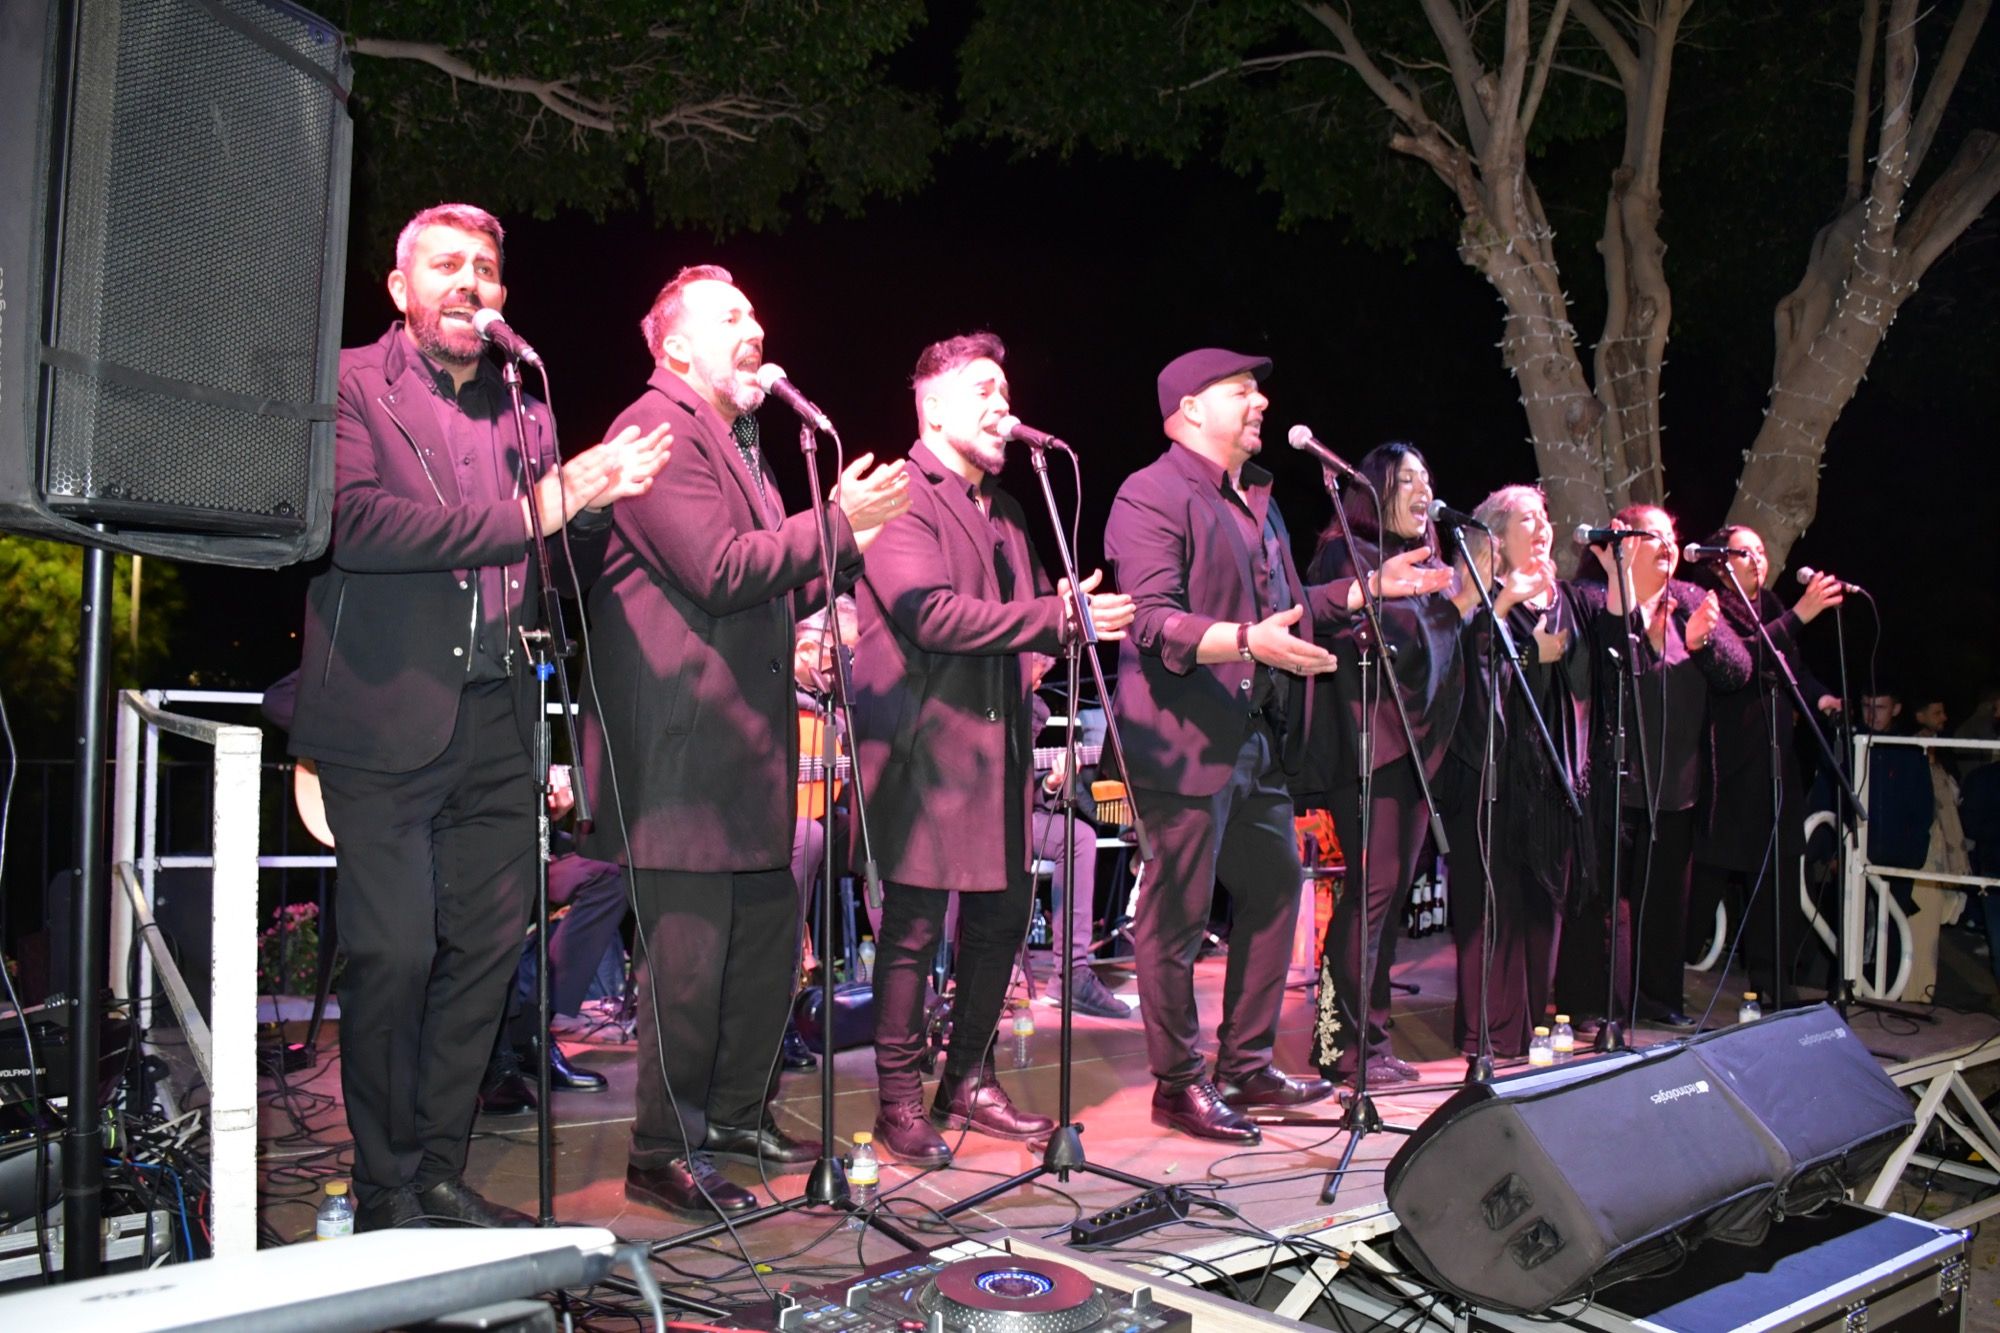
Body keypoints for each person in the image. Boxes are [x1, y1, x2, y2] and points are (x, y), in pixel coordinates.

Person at [287, 203, 670, 1232]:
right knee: (396, 953)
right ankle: (384, 1186)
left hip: (499, 719)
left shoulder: (525, 407)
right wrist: (535, 510)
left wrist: (584, 512)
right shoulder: (346, 382)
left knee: (489, 950)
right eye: (447, 265)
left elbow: (543, 566)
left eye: (488, 270)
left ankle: (440, 1174)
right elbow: (348, 522)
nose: (471, 283)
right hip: (381, 721)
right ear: (400, 288)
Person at [578, 264, 908, 1217]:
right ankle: (661, 1146)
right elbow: (720, 571)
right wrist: (837, 526)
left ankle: (733, 1113)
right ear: (675, 346)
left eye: (756, 311)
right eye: (731, 316)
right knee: (685, 965)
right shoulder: (653, 430)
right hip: (683, 753)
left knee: (764, 949)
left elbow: (776, 581)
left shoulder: (740, 444)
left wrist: (843, 546)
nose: (754, 326)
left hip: (749, 751)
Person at [1103, 348, 1448, 1144]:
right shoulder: (1149, 493)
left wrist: (1372, 587)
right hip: (1180, 737)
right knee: (1176, 917)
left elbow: (1292, 606)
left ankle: (1246, 1064)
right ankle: (1177, 1082)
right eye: (1241, 392)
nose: (1260, 402)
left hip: (1255, 740)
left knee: (1274, 888)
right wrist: (1243, 640)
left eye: (1259, 391)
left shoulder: (1259, 498)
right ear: (1190, 409)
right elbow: (1152, 619)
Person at [850, 332, 1134, 1165]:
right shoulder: (900, 496)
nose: (1002, 405)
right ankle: (900, 1099)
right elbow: (929, 613)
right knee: (912, 929)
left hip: (997, 752)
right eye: (982, 390)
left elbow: (1034, 625)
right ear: (933, 406)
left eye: (1006, 390)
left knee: (1002, 918)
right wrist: (1053, 619)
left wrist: (1061, 631)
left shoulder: (1008, 511)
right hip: (919, 751)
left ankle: (967, 1076)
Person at [1303, 443, 1466, 1085]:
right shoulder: (1348, 554)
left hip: (1415, 750)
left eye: (1428, 478)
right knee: (1370, 893)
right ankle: (1337, 1043)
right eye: (1406, 479)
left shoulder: (1427, 564)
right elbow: (1343, 642)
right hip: (1367, 748)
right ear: (1373, 488)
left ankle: (1371, 1038)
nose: (1422, 491)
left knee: (1390, 894)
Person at [1558, 504, 1750, 1030]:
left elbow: (1739, 672)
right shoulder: (1592, 601)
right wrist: (1627, 601)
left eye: (1672, 536)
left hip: (1677, 787)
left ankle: (1657, 999)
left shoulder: (1691, 601)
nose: (1668, 547)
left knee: (1665, 905)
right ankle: (1593, 1005)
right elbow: (1597, 669)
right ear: (1624, 541)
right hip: (1612, 783)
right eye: (1654, 536)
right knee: (1601, 904)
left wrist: (1703, 644)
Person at [1436, 485, 1590, 1060]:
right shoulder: (1474, 597)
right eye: (1529, 518)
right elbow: (1467, 678)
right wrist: (1522, 638)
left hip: (1545, 778)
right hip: (1488, 778)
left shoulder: (1560, 600)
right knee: (1491, 908)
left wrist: (1549, 618)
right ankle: (1487, 1033)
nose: (1544, 527)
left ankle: (1528, 1028)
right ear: (1497, 537)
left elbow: (1578, 680)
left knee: (1538, 906)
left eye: (1545, 517)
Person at [1686, 525, 1843, 1004]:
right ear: (1719, 562)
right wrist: (1800, 615)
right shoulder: (1709, 604)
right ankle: (1662, 972)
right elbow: (1740, 660)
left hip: (1776, 766)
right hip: (1728, 767)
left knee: (1776, 876)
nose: (1758, 558)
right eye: (1745, 551)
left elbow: (1796, 672)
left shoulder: (1771, 607)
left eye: (1762, 549)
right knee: (1705, 878)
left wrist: (1822, 699)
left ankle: (1774, 984)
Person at [1027, 652, 1133, 1020]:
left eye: (1042, 677)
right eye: (1035, 675)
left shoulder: (1032, 710)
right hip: (972, 823)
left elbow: (1020, 783)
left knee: (1079, 837)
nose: (1039, 684)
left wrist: (1052, 783)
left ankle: (1071, 973)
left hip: (1014, 820)